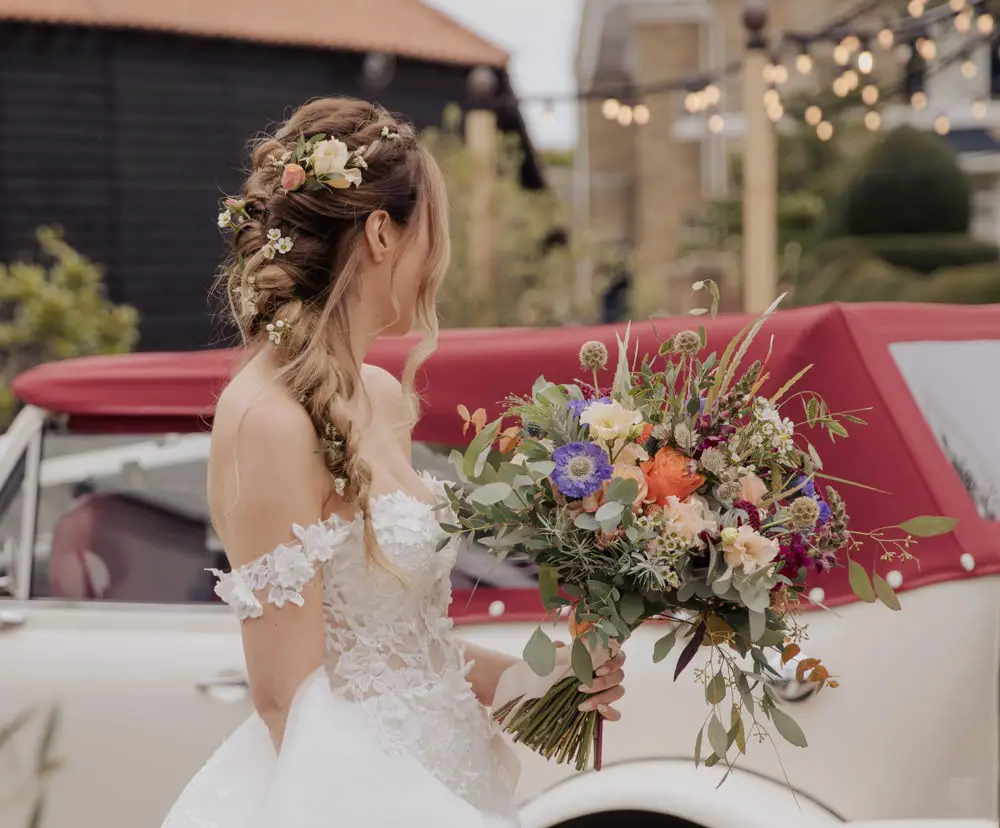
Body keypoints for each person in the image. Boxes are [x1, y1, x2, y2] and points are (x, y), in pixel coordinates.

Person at [161, 97, 626, 828]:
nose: (436, 261)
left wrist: (545, 683)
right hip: (354, 803)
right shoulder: (270, 423)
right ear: (382, 232)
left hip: (449, 775)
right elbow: (288, 700)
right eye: (428, 234)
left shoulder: (379, 396)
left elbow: (405, 647)